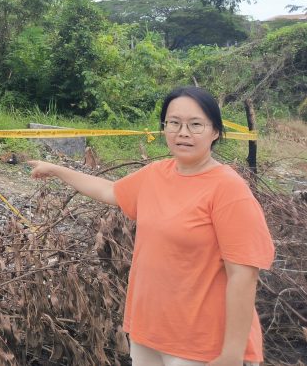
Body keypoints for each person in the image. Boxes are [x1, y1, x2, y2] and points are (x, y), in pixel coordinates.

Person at [28, 86, 274, 366]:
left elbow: (244, 275)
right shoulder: (158, 174)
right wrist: (58, 170)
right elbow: (111, 191)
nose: (183, 133)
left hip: (203, 346)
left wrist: (231, 355)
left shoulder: (229, 190)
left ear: (215, 131)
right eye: (174, 123)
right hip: (150, 333)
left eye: (195, 125)